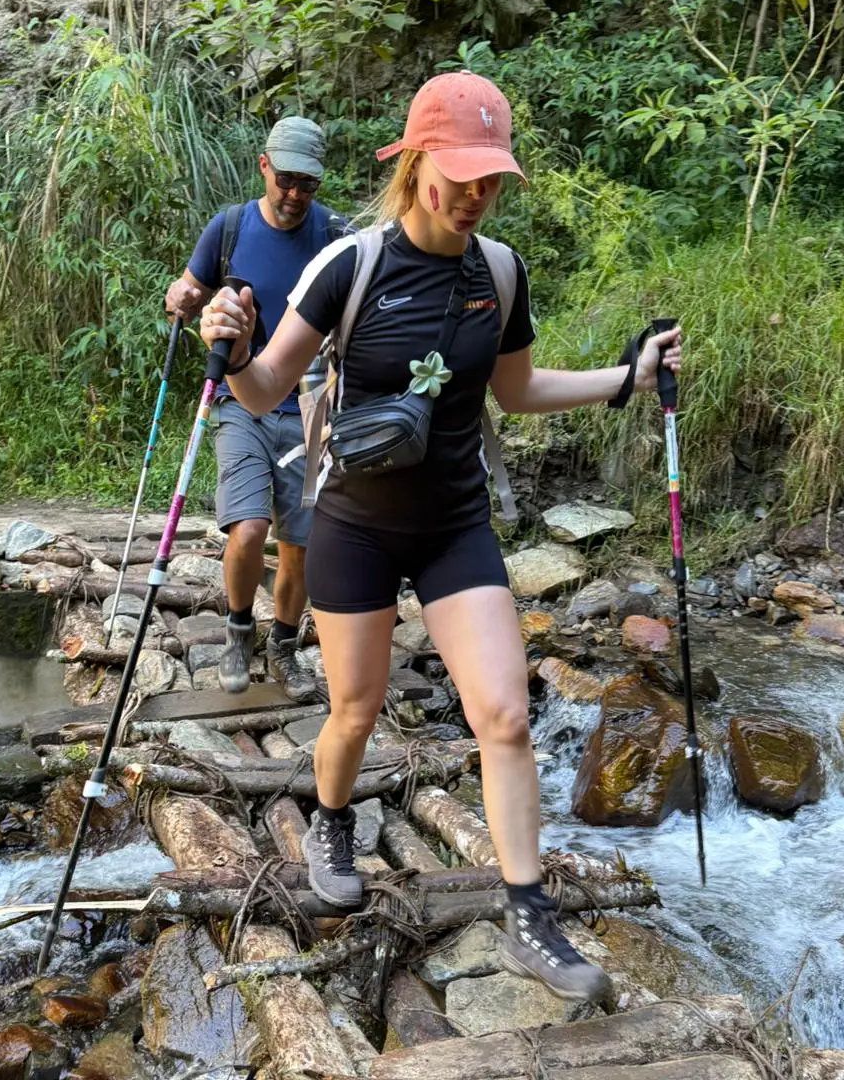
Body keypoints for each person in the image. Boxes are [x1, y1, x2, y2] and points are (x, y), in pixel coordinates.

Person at [197, 71, 682, 1004]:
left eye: (490, 178)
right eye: (458, 174)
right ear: (415, 163)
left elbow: (516, 391)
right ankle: (332, 817)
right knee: (354, 713)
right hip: (355, 524)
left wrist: (625, 378)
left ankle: (529, 914)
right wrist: (225, 334)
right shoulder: (349, 265)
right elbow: (261, 390)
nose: (474, 194)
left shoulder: (497, 272)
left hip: (456, 523)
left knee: (503, 715)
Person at [165, 117, 348, 700]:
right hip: (239, 399)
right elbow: (187, 290)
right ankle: (240, 628)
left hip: (311, 404)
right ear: (264, 166)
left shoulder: (335, 236)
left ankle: (286, 644)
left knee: (302, 544)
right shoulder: (230, 227)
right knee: (247, 529)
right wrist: (183, 298)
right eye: (286, 179)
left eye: (308, 185)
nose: (295, 195)